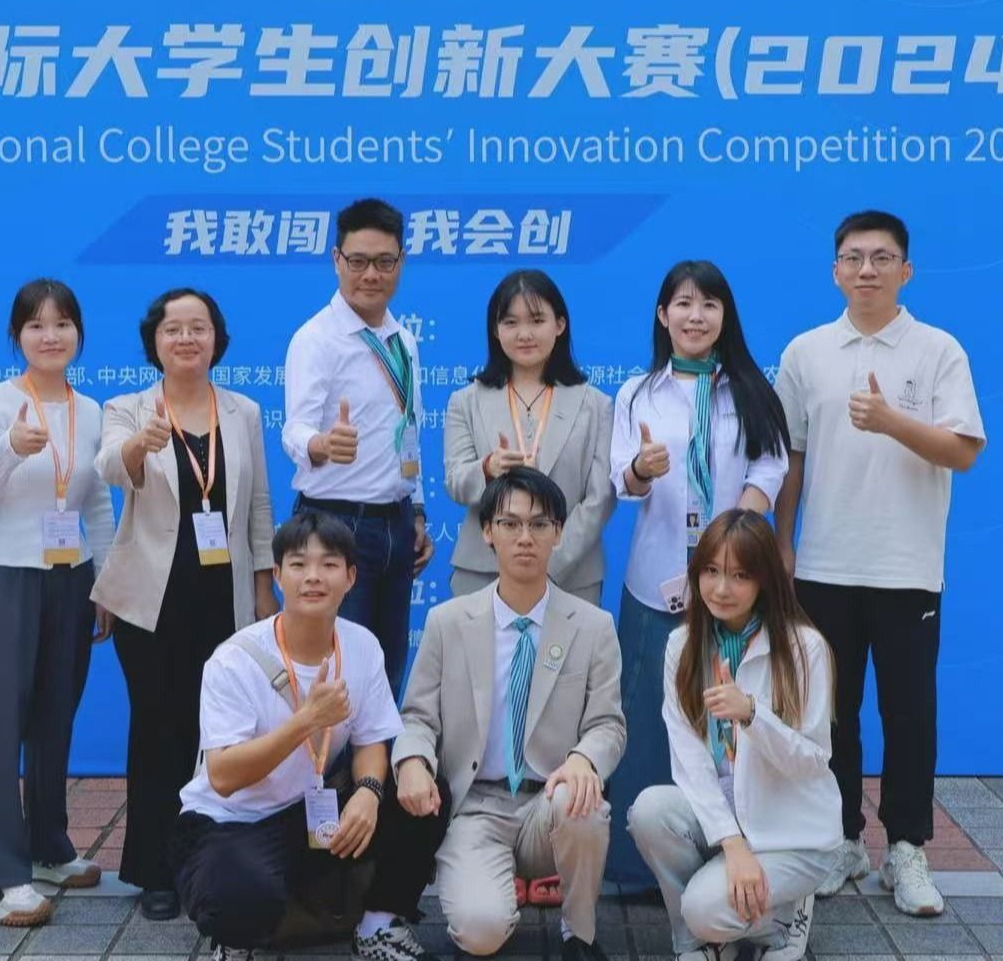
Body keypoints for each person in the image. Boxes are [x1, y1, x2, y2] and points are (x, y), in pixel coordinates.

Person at [775, 211, 985, 917]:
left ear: (906, 271)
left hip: (906, 566)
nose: (867, 269)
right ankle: (841, 840)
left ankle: (906, 848)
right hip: (824, 564)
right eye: (854, 257)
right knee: (830, 714)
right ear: (835, 270)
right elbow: (791, 458)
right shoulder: (805, 352)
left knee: (908, 712)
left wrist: (892, 420)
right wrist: (783, 541)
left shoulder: (938, 350)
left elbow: (963, 450)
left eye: (882, 258)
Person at [172, 512, 449, 961]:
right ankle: (238, 941)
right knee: (236, 898)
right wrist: (305, 721)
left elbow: (372, 740)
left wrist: (369, 792)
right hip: (234, 822)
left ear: (351, 577)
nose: (314, 577)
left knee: (425, 794)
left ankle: (378, 926)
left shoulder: (361, 645)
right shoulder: (234, 661)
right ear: (278, 575)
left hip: (310, 812)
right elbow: (222, 776)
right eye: (299, 564)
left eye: (329, 564)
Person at [605, 261, 789, 895]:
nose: (695, 316)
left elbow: (770, 467)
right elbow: (620, 483)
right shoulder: (638, 393)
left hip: (733, 586)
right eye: (682, 304)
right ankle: (636, 866)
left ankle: (730, 852)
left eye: (709, 304)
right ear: (663, 316)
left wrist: (736, 536)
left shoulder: (752, 391)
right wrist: (642, 468)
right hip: (655, 580)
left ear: (724, 316)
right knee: (648, 715)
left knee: (728, 713)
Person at [94, 288, 277, 921]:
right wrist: (138, 446)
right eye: (173, 328)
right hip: (151, 601)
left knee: (219, 734)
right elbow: (107, 469)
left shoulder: (244, 411)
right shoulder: (128, 408)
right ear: (155, 341)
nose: (186, 338)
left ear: (216, 338)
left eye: (198, 327)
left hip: (226, 598)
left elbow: (258, 504)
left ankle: (212, 858)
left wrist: (264, 586)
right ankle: (155, 870)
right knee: (157, 729)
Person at [393, 467, 625, 961]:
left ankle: (579, 933)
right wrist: (412, 761)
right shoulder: (447, 622)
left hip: (552, 801)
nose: (525, 538)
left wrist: (584, 759)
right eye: (510, 523)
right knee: (480, 933)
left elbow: (608, 724)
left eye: (539, 525)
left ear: (558, 533)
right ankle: (493, 902)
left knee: (583, 803)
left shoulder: (594, 627)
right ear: (487, 531)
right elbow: (417, 718)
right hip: (476, 805)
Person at [0, 279, 116, 925]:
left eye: (62, 324)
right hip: (4, 575)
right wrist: (9, 449)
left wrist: (105, 580)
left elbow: (97, 500)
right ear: (16, 336)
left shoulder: (92, 410)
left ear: (79, 332)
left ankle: (49, 847)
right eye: (36, 325)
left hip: (70, 577)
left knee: (56, 716)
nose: (51, 336)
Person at [628, 510, 840, 961]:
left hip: (791, 831)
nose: (721, 589)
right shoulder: (683, 645)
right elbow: (689, 761)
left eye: (740, 575)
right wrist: (732, 843)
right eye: (711, 571)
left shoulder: (804, 648)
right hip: (731, 817)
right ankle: (699, 943)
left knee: (703, 908)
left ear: (765, 580)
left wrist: (753, 716)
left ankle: (784, 918)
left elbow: (812, 761)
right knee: (649, 812)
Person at [283, 198, 434, 696]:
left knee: (386, 673)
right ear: (336, 260)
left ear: (401, 263)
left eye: (385, 262)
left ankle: (380, 754)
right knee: (337, 675)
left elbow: (408, 432)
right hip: (336, 523)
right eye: (359, 261)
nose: (371, 274)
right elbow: (294, 427)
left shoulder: (403, 340)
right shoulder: (316, 339)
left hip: (395, 524)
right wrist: (321, 444)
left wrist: (416, 510)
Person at [445, 270, 614, 604]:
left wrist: (549, 556)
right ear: (495, 330)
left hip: (570, 574)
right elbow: (455, 482)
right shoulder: (466, 401)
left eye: (537, 320)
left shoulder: (595, 405)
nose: (524, 334)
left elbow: (601, 497)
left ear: (559, 325)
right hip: (484, 571)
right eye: (510, 322)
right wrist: (487, 469)